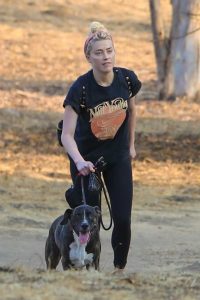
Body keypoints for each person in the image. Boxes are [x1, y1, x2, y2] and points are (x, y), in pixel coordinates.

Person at [61, 21, 142, 273]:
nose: (105, 56)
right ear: (88, 57)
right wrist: (79, 162)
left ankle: (118, 270)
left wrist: (131, 145)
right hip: (86, 161)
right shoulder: (81, 88)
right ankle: (81, 265)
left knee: (122, 218)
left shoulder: (126, 80)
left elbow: (132, 112)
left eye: (109, 50)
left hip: (117, 157)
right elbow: (66, 135)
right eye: (98, 52)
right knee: (87, 220)